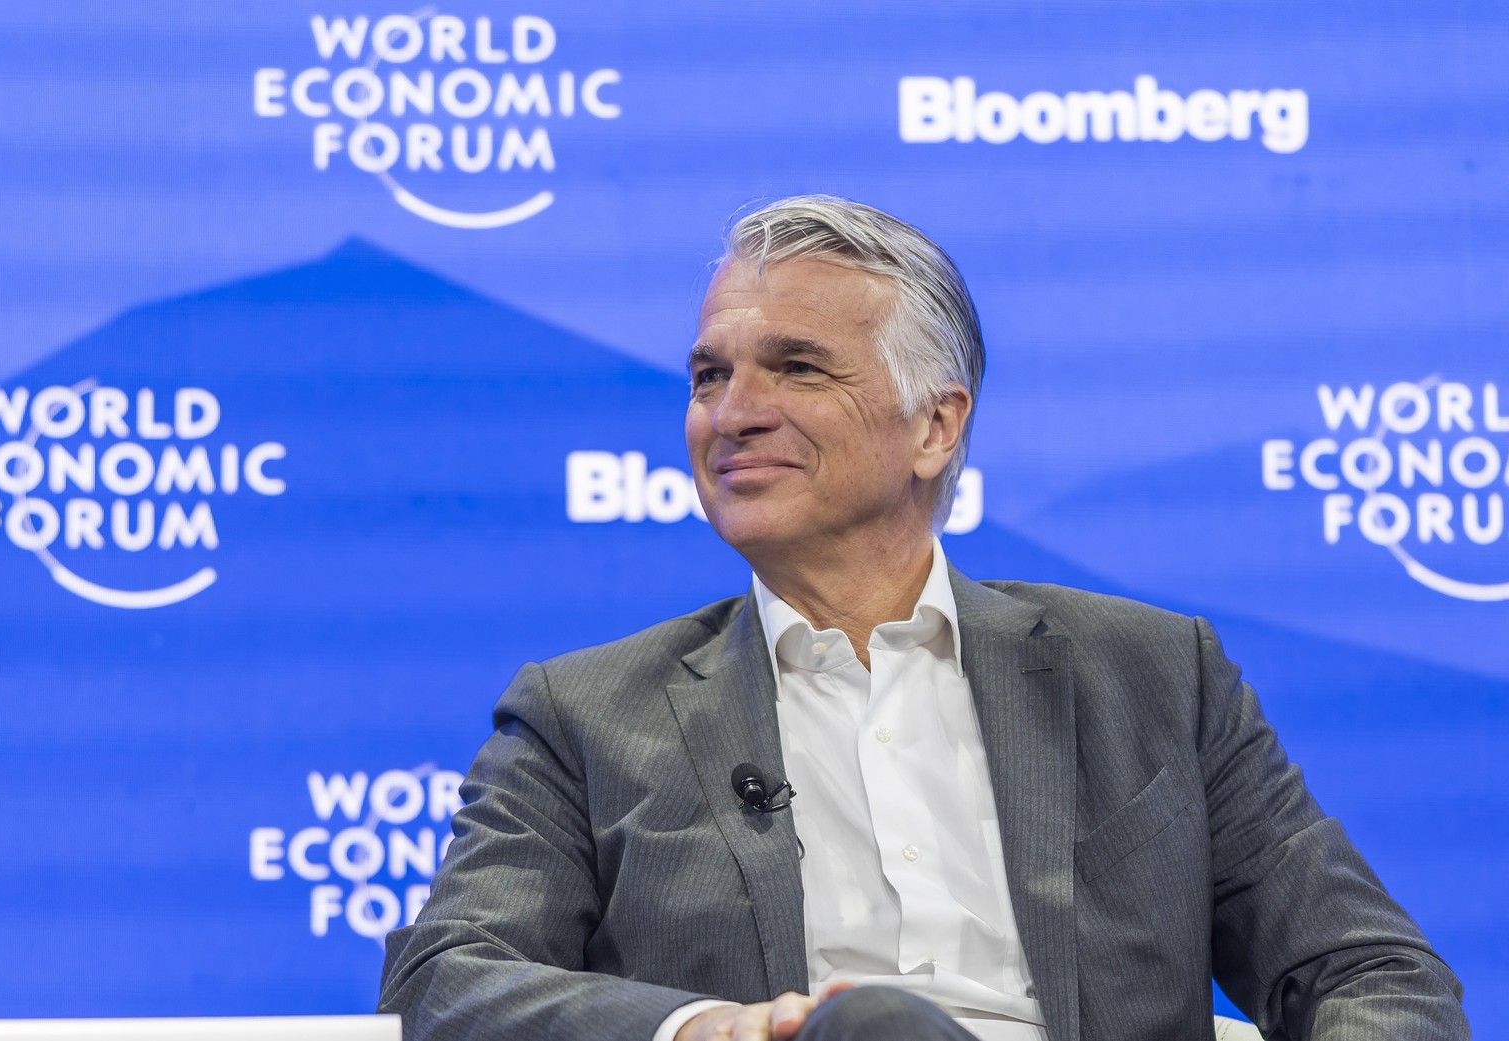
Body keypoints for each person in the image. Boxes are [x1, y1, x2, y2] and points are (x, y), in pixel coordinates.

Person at [378, 196, 1469, 1041]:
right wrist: (705, 1028)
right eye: (710, 375)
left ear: (936, 427)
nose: (732, 412)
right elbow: (450, 973)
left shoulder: (1150, 677)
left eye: (795, 367)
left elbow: (1371, 973)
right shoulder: (587, 714)